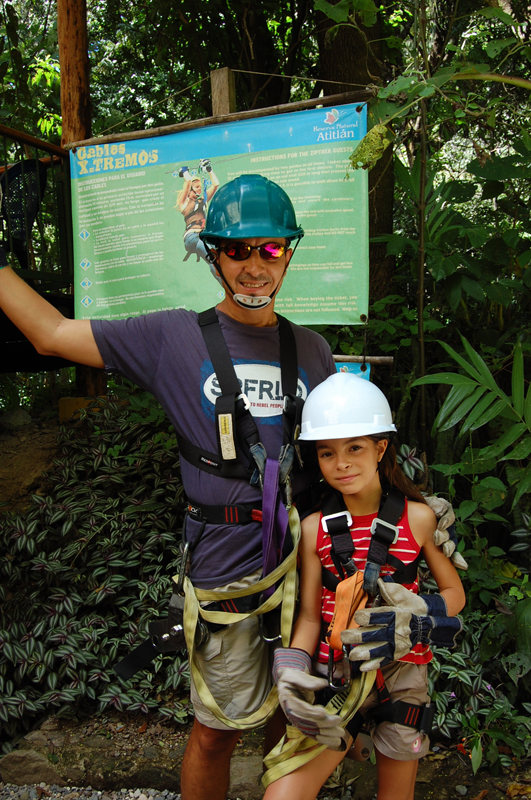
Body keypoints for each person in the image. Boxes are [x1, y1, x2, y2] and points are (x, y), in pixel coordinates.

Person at [0, 174, 337, 800]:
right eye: (238, 250)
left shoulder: (313, 352)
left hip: (303, 568)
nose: (255, 267)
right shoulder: (173, 337)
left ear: (290, 249)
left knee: (291, 720)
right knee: (215, 730)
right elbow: (49, 334)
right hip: (224, 567)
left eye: (270, 249)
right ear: (213, 253)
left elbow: (343, 462)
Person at [265, 372, 465, 800]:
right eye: (327, 453)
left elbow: (455, 595)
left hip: (402, 671)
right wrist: (290, 669)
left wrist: (416, 619)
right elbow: (308, 615)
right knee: (282, 794)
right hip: (333, 673)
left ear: (380, 448)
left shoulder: (419, 518)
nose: (341, 464)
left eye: (355, 447)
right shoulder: (314, 527)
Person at [175, 158, 220, 264]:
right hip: (193, 237)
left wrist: (209, 169)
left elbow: (215, 185)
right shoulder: (184, 203)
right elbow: (188, 181)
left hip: (204, 237)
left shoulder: (201, 201)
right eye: (197, 187)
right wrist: (184, 171)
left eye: (200, 187)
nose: (200, 189)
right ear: (190, 189)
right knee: (214, 261)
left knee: (221, 258)